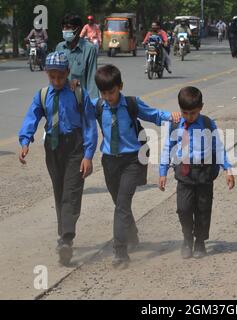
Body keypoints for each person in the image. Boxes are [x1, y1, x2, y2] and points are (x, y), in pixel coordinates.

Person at [92, 65, 181, 269]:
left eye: (112, 92)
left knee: (122, 203)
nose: (108, 97)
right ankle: (131, 235)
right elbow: (77, 105)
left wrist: (172, 116)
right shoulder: (97, 105)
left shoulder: (131, 104)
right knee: (119, 203)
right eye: (104, 93)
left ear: (120, 87)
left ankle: (120, 251)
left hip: (132, 160)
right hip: (109, 161)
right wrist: (74, 87)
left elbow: (154, 115)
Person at [18, 51, 98, 266]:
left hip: (75, 147)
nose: (56, 81)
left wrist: (88, 155)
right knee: (60, 191)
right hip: (52, 147)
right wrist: (25, 141)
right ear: (46, 74)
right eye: (52, 77)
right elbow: (32, 117)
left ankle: (66, 239)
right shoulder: (43, 95)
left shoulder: (78, 93)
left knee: (71, 192)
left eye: (60, 77)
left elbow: (90, 124)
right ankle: (63, 233)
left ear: (68, 73)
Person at [159, 86, 235, 259]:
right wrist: (162, 171)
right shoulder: (175, 124)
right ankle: (187, 239)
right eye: (185, 112)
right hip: (184, 172)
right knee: (183, 208)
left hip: (204, 172)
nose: (188, 117)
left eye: (192, 113)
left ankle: (199, 241)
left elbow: (219, 147)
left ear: (201, 107)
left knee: (203, 208)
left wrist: (227, 169)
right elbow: (167, 148)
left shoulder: (208, 124)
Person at [56, 13, 99, 99]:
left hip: (80, 101)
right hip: (62, 99)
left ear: (78, 29)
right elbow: (54, 75)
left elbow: (92, 78)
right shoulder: (60, 47)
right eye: (63, 27)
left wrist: (93, 103)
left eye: (68, 27)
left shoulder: (89, 49)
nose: (65, 30)